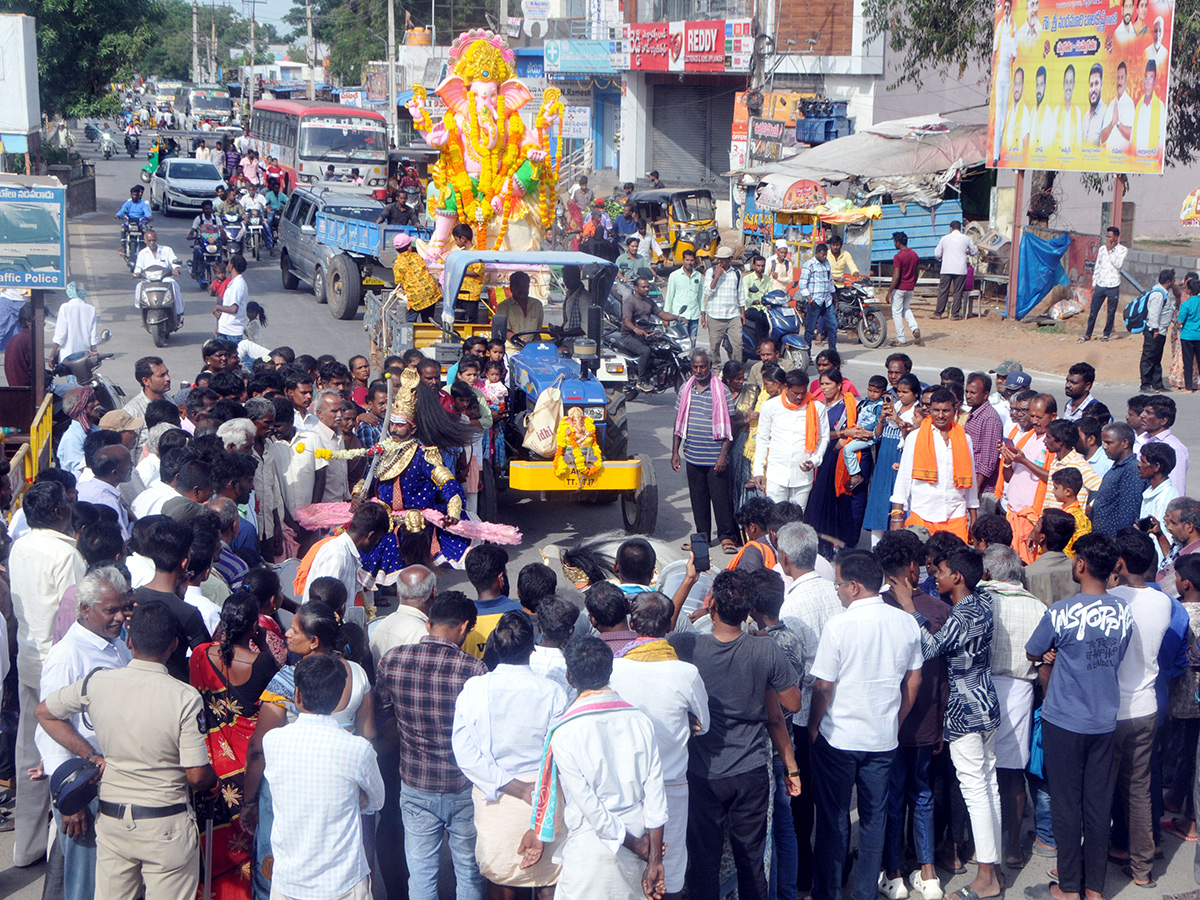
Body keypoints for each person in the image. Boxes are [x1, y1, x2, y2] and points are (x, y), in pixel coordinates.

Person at [36, 601, 218, 900]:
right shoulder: (184, 697)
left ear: (130, 641)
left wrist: (90, 755)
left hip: (113, 823)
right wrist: (213, 781)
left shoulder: (98, 682)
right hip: (165, 825)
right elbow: (197, 775)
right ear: (173, 645)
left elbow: (45, 712)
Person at [668, 569, 802, 900]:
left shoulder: (689, 646)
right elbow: (792, 704)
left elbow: (664, 625)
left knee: (703, 862)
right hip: (750, 773)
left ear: (712, 606)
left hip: (703, 773)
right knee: (751, 861)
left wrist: (687, 581)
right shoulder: (764, 649)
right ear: (747, 612)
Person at [809, 550, 923, 900]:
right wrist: (897, 720)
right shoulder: (906, 622)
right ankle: (864, 894)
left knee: (834, 820)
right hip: (883, 740)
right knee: (875, 821)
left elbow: (823, 686)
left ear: (854, 587)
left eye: (839, 584)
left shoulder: (838, 625)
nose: (837, 591)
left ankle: (829, 892)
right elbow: (914, 681)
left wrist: (813, 727)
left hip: (838, 739)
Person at [1024, 533, 1133, 900]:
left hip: (1064, 720)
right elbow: (1115, 657)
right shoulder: (1123, 611)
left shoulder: (1062, 612)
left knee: (1067, 805)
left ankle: (1069, 888)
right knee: (1098, 807)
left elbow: (1033, 650)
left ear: (1082, 565)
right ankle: (1095, 888)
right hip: (1105, 720)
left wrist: (1055, 654)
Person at [893, 547, 1004, 900]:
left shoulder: (966, 611)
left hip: (966, 712)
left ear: (957, 577)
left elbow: (930, 649)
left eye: (939, 571)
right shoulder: (983, 602)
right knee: (987, 787)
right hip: (985, 705)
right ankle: (992, 867)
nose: (933, 576)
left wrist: (911, 608)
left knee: (976, 790)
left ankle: (986, 878)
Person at [524, 636, 668, 900]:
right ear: (610, 670)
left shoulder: (565, 732)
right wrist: (654, 857)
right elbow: (655, 792)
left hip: (593, 848)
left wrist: (639, 847)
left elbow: (589, 805)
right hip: (638, 838)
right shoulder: (640, 720)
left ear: (569, 677)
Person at [375, 591, 488, 900]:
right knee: (468, 870)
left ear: (428, 623)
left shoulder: (393, 661)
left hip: (414, 784)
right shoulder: (474, 671)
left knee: (421, 872)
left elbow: (383, 713)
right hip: (462, 785)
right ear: (464, 627)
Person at [452, 611, 569, 894]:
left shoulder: (474, 689)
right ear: (533, 647)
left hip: (497, 800)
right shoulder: (553, 692)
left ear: (494, 646)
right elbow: (560, 755)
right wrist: (531, 791)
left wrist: (514, 788)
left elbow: (465, 754)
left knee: (502, 881)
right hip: (544, 798)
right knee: (547, 883)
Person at [33, 566, 130, 900]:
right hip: (82, 787)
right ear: (85, 610)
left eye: (123, 607)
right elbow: (49, 730)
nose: (120, 616)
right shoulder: (66, 657)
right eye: (110, 610)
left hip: (111, 778)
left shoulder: (116, 646)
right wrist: (68, 798)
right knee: (81, 883)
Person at [609, 591, 711, 897]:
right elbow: (704, 725)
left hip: (626, 784)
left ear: (632, 623)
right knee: (670, 870)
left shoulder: (614, 669)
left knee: (627, 872)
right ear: (669, 625)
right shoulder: (686, 673)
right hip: (670, 787)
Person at [261, 653, 383, 900]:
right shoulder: (358, 750)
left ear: (297, 695)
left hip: (289, 883)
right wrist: (355, 796)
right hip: (343, 883)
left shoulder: (273, 741)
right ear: (339, 699)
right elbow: (376, 802)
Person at [10, 480, 86, 866]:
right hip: (58, 668)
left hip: (28, 661)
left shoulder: (20, 545)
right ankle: (60, 844)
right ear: (59, 512)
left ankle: (26, 847)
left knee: (29, 753)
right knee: (61, 750)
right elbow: (75, 617)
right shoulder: (65, 554)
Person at [189, 590, 279, 900]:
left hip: (209, 765)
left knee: (211, 843)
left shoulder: (201, 655)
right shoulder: (263, 663)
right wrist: (264, 644)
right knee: (247, 845)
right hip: (248, 768)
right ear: (255, 626)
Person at [875, 531, 949, 900]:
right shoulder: (938, 611)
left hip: (886, 724)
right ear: (912, 567)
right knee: (921, 794)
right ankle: (929, 874)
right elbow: (943, 678)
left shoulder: (875, 611)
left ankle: (893, 874)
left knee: (891, 796)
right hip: (925, 722)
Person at [1109, 528, 1172, 887]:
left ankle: (1089, 869)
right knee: (1139, 791)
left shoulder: (1109, 598)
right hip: (1146, 708)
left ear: (1118, 563)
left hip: (1111, 710)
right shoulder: (1163, 602)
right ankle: (1143, 870)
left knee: (1100, 791)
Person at [890, 388, 980, 541]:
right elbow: (903, 478)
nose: (940, 415)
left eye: (946, 410)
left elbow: (971, 484)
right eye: (936, 410)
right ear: (929, 410)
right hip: (922, 513)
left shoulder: (965, 439)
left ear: (955, 410)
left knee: (954, 563)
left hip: (955, 515)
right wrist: (896, 517)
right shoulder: (915, 437)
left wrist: (974, 520)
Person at [672, 349, 738, 555]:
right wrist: (675, 451)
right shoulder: (685, 389)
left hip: (715, 457)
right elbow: (678, 422)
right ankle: (702, 538)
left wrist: (723, 455)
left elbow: (730, 424)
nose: (699, 371)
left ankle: (727, 537)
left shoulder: (722, 390)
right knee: (698, 499)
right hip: (693, 455)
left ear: (709, 366)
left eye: (703, 366)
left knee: (720, 499)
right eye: (695, 367)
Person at [753, 368, 829, 504]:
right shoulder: (770, 406)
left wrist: (815, 460)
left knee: (796, 521)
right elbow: (763, 439)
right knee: (775, 520)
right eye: (796, 393)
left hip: (802, 478)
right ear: (786, 388)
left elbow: (823, 438)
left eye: (803, 393)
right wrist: (758, 470)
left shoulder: (817, 408)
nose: (800, 397)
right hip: (776, 476)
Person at [301, 502, 391, 605]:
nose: (376, 545)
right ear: (371, 536)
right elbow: (323, 602)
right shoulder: (337, 555)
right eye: (378, 540)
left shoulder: (348, 553)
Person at [617, 277, 679, 392]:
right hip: (629, 336)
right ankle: (641, 381)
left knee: (662, 350)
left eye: (648, 286)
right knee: (645, 351)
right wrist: (636, 329)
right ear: (636, 288)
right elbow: (626, 321)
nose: (647, 289)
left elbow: (662, 314)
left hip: (645, 335)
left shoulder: (649, 302)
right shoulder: (629, 302)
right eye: (644, 287)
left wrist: (677, 317)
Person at [1088, 422, 1144, 536]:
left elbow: (1129, 511)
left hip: (1114, 542)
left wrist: (1120, 543)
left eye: (1109, 443)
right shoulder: (1117, 467)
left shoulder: (1132, 470)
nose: (1104, 447)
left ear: (1124, 443)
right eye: (1103, 443)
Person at [1081, 227, 1127, 342]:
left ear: (1116, 237)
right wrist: (1094, 283)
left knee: (1111, 312)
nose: (1107, 239)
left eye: (1110, 236)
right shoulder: (1102, 249)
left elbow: (1118, 264)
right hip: (1101, 284)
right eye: (1107, 236)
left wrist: (1110, 250)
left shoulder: (1122, 250)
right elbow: (1098, 266)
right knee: (1093, 311)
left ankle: (1106, 334)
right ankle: (1088, 334)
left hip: (1113, 285)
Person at [703, 246, 745, 365]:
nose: (721, 261)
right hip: (715, 315)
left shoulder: (736, 273)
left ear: (730, 259)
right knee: (715, 346)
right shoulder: (711, 272)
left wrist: (743, 313)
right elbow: (707, 292)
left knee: (738, 344)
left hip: (733, 315)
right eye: (719, 259)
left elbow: (740, 293)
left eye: (724, 259)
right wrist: (717, 277)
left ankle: (736, 367)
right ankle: (716, 367)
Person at [1140, 395, 1189, 495]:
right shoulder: (1140, 440)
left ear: (1163, 420)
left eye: (1148, 412)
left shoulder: (1175, 448)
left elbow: (1176, 487)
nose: (1142, 415)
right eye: (1143, 411)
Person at [133, 228, 184, 318]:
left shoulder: (166, 250)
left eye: (153, 240)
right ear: (145, 241)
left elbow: (174, 261)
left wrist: (176, 268)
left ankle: (178, 312)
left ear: (157, 239)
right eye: (149, 240)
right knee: (139, 286)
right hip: (149, 280)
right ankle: (142, 309)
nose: (152, 242)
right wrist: (136, 273)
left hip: (164, 278)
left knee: (174, 285)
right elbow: (138, 268)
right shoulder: (142, 253)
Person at [1141, 268, 1176, 392]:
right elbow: (1154, 313)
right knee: (1149, 357)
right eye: (1173, 280)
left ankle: (1157, 384)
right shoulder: (1158, 294)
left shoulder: (1164, 292)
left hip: (1161, 331)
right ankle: (1145, 384)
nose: (1174, 282)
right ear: (1168, 281)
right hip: (1154, 331)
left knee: (1156, 358)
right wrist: (1155, 330)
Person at [934, 222, 978, 320]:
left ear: (951, 228)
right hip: (960, 268)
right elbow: (975, 251)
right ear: (959, 228)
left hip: (946, 268)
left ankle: (938, 313)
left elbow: (937, 254)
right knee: (958, 292)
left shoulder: (945, 238)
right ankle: (955, 314)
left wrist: (942, 257)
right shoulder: (966, 238)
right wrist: (967, 253)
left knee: (943, 291)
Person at [50, 281, 100, 364]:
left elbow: (61, 334)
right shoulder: (91, 309)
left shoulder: (65, 307)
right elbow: (93, 337)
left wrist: (52, 356)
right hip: (85, 355)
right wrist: (93, 356)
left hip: (68, 355)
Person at [800, 242, 837, 351]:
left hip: (827, 301)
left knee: (833, 326)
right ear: (816, 253)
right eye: (822, 254)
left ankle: (832, 352)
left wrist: (834, 296)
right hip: (815, 301)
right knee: (810, 329)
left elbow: (829, 280)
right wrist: (809, 299)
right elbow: (802, 284)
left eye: (826, 254)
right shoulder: (809, 265)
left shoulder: (826, 263)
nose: (824, 257)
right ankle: (806, 353)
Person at [886, 232, 922, 344]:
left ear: (898, 242)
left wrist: (889, 291)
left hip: (900, 288)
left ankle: (901, 339)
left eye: (894, 242)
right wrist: (913, 284)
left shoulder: (898, 257)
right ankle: (914, 327)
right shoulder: (914, 255)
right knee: (906, 309)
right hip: (910, 288)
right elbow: (916, 272)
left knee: (896, 312)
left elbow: (896, 276)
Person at [495, 271, 544, 344]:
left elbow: (537, 332)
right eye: (518, 287)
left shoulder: (537, 305)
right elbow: (505, 331)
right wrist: (521, 342)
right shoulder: (503, 307)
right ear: (511, 287)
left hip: (530, 348)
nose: (522, 289)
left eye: (524, 286)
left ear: (528, 286)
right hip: (510, 350)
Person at [214, 255, 250, 343]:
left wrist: (217, 307)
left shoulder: (237, 285)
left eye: (229, 262)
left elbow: (234, 309)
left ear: (232, 266)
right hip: (226, 329)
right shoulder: (233, 283)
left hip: (231, 332)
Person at [1101, 61, 1136, 153]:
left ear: (1126, 80)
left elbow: (1130, 135)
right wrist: (1112, 123)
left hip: (1122, 161)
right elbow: (1102, 138)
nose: (1119, 81)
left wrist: (1118, 123)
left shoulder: (1129, 103)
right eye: (1118, 78)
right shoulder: (1112, 105)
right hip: (1108, 160)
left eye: (1122, 78)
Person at [1131, 60, 1165, 154]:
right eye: (1146, 78)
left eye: (1150, 78)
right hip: (1135, 162)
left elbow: (1161, 139)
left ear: (1154, 83)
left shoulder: (1160, 107)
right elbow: (1132, 137)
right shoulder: (1138, 106)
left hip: (1151, 162)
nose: (1147, 82)